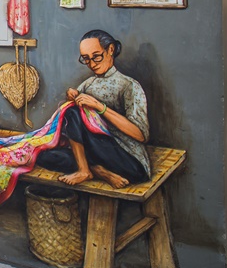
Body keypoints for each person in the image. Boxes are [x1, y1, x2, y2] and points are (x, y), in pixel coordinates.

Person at [37, 29, 151, 188]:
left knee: (72, 113)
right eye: (86, 59)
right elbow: (74, 127)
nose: (91, 64)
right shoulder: (88, 84)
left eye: (96, 57)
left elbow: (141, 135)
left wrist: (99, 107)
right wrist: (73, 98)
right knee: (43, 156)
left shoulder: (129, 85)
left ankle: (85, 169)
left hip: (128, 160)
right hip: (95, 154)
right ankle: (100, 171)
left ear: (110, 50)